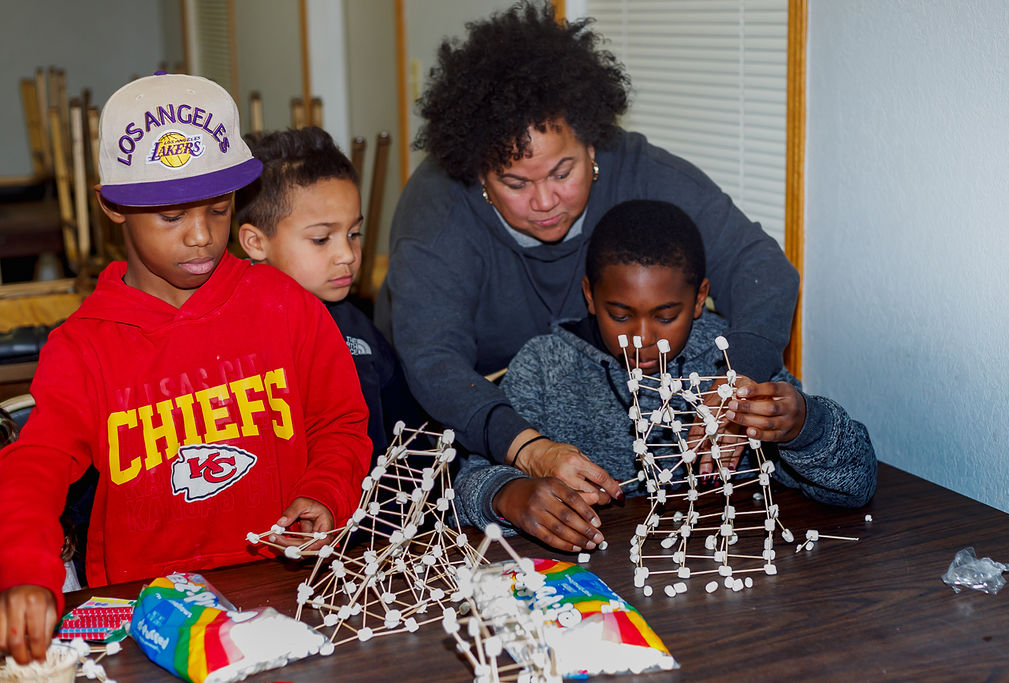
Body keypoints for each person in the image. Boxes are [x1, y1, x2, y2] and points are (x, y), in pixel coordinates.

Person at [0, 74, 372, 664]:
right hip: (140, 612)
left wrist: (324, 495)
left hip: (281, 595)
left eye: (218, 210)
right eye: (171, 216)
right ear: (114, 206)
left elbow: (341, 422)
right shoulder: (85, 345)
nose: (200, 236)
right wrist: (24, 569)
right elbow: (33, 468)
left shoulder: (284, 305)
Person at [376, 2, 800, 505]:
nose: (545, 201)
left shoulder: (643, 171)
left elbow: (763, 271)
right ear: (478, 174)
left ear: (594, 145)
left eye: (563, 172)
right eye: (514, 183)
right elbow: (434, 362)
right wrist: (527, 451)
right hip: (454, 439)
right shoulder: (438, 211)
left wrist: (736, 381)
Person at [454, 200, 877, 552]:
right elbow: (468, 485)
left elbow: (855, 486)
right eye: (620, 315)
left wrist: (803, 425)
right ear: (589, 296)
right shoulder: (544, 367)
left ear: (698, 300)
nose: (642, 338)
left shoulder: (729, 362)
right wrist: (508, 496)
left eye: (666, 315)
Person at [236, 126, 420, 455]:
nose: (348, 255)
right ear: (256, 242)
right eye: (322, 239)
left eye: (354, 233)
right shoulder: (239, 343)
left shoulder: (359, 331)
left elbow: (407, 433)